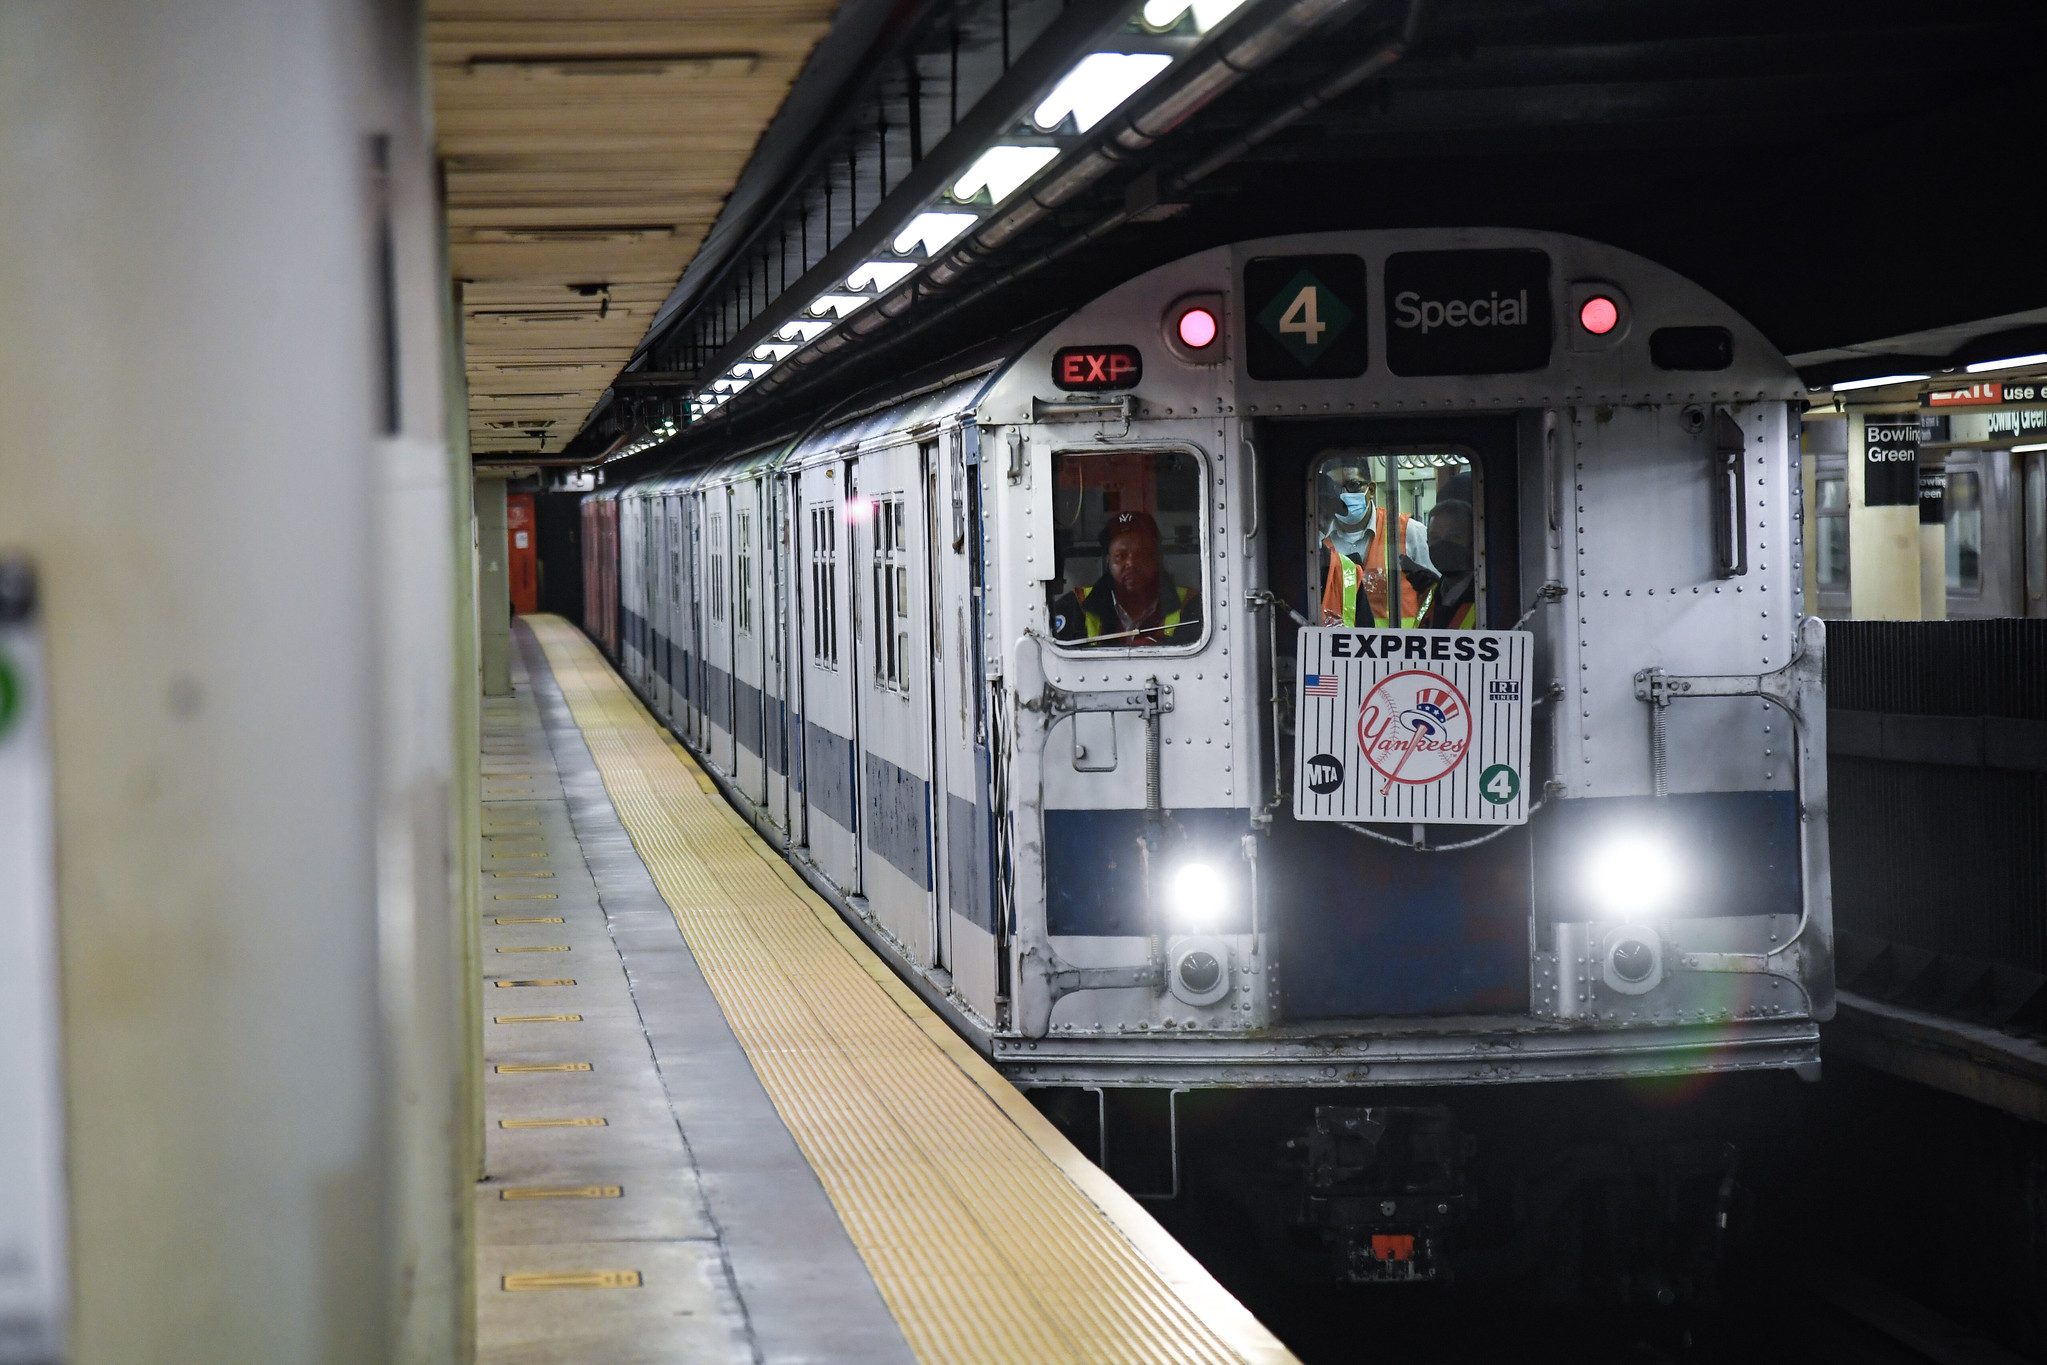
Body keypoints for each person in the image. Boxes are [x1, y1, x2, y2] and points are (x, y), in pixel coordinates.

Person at [1050, 509, 1202, 645]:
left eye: (1142, 554)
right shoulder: (1074, 607)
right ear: (1108, 561)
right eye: (1120, 556)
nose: (1131, 563)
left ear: (1157, 558)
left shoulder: (1192, 606)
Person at [1317, 459, 1434, 627]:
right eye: (1335, 488)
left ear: (1371, 490)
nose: (1344, 494)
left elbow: (1434, 593)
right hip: (1343, 648)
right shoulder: (1320, 537)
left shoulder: (1408, 531)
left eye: (1353, 485)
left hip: (1401, 647)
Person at [1418, 497, 1478, 629]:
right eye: (1435, 538)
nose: (1443, 545)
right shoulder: (1429, 596)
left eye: (1453, 537)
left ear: (1473, 542)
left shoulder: (1486, 599)